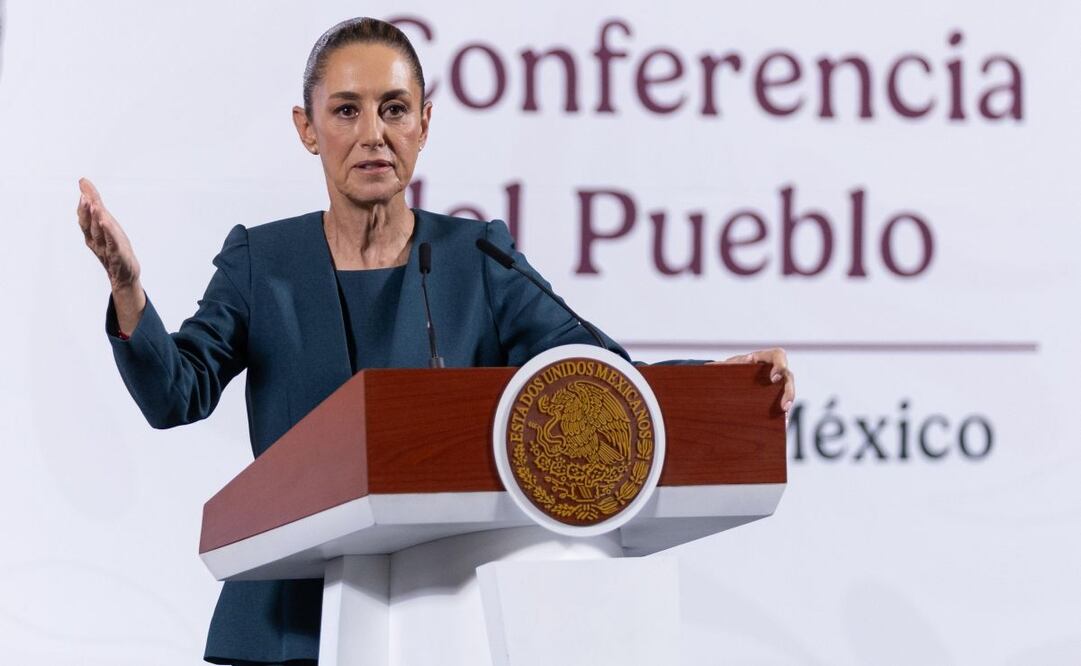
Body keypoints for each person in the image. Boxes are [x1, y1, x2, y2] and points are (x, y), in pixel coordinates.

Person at [76, 17, 795, 666]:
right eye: (346, 111)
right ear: (306, 127)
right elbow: (177, 393)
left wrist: (717, 382)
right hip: (287, 622)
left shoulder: (475, 260)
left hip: (439, 619)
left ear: (424, 122)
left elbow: (595, 375)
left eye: (393, 110)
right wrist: (127, 287)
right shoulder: (263, 264)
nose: (372, 134)